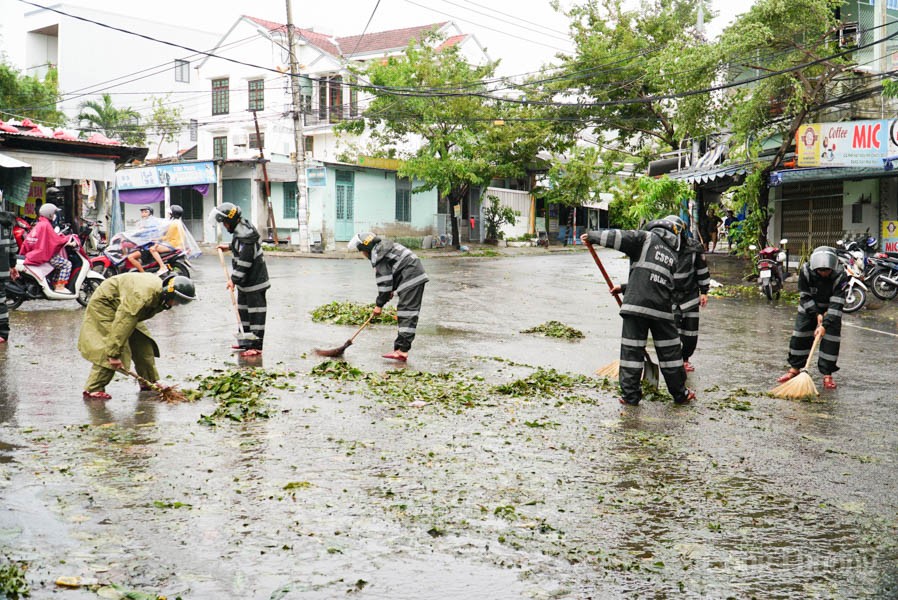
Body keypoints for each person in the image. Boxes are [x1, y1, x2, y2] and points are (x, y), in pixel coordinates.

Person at [580, 221, 695, 406]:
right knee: (671, 354)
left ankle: (630, 396)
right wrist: (624, 288)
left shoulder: (646, 238)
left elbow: (621, 237)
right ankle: (680, 394)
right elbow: (659, 281)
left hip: (637, 306)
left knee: (632, 352)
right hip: (663, 310)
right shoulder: (673, 254)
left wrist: (592, 236)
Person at [78, 272, 196, 400]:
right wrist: (113, 354)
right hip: (107, 304)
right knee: (113, 347)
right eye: (178, 301)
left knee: (143, 343)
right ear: (169, 294)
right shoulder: (141, 297)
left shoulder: (160, 294)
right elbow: (123, 323)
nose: (177, 305)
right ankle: (94, 389)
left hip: (126, 304)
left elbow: (131, 316)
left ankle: (149, 381)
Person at [348, 231, 429, 361]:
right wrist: (391, 290)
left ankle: (402, 351)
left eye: (361, 251)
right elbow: (395, 270)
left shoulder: (379, 255)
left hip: (411, 278)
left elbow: (384, 283)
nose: (362, 254)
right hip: (411, 275)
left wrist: (379, 305)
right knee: (405, 313)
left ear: (366, 248)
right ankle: (400, 349)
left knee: (407, 314)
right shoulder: (384, 247)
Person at [777, 246, 847, 390]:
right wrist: (816, 314)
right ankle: (795, 368)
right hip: (809, 306)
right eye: (820, 271)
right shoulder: (806, 271)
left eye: (827, 270)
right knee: (800, 335)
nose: (823, 273)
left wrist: (824, 324)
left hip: (831, 308)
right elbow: (804, 295)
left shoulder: (841, 274)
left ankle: (827, 374)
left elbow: (837, 302)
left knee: (831, 340)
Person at [211, 202, 269, 357]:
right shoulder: (241, 230)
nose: (224, 225)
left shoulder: (246, 236)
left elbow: (245, 262)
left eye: (224, 222)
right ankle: (245, 343)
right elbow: (239, 246)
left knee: (256, 315)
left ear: (230, 221)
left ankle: (256, 347)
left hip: (255, 283)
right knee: (243, 312)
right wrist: (229, 246)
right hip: (246, 283)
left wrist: (233, 280)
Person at [665, 215, 710, 373]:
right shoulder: (662, 247)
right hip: (669, 296)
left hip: (689, 296)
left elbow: (702, 270)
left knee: (690, 333)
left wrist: (704, 291)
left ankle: (685, 359)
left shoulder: (694, 247)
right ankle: (674, 360)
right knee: (673, 331)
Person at [21, 202, 73, 293]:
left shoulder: (40, 224)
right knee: (67, 264)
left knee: (60, 265)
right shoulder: (46, 225)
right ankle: (60, 287)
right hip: (44, 254)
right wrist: (67, 240)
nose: (54, 216)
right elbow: (55, 241)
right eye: (53, 214)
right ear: (49, 214)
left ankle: (54, 284)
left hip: (37, 252)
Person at [0, 210, 15, 343]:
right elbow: (13, 247)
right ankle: (3, 333)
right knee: (1, 301)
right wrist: (13, 265)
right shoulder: (6, 224)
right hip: (3, 270)